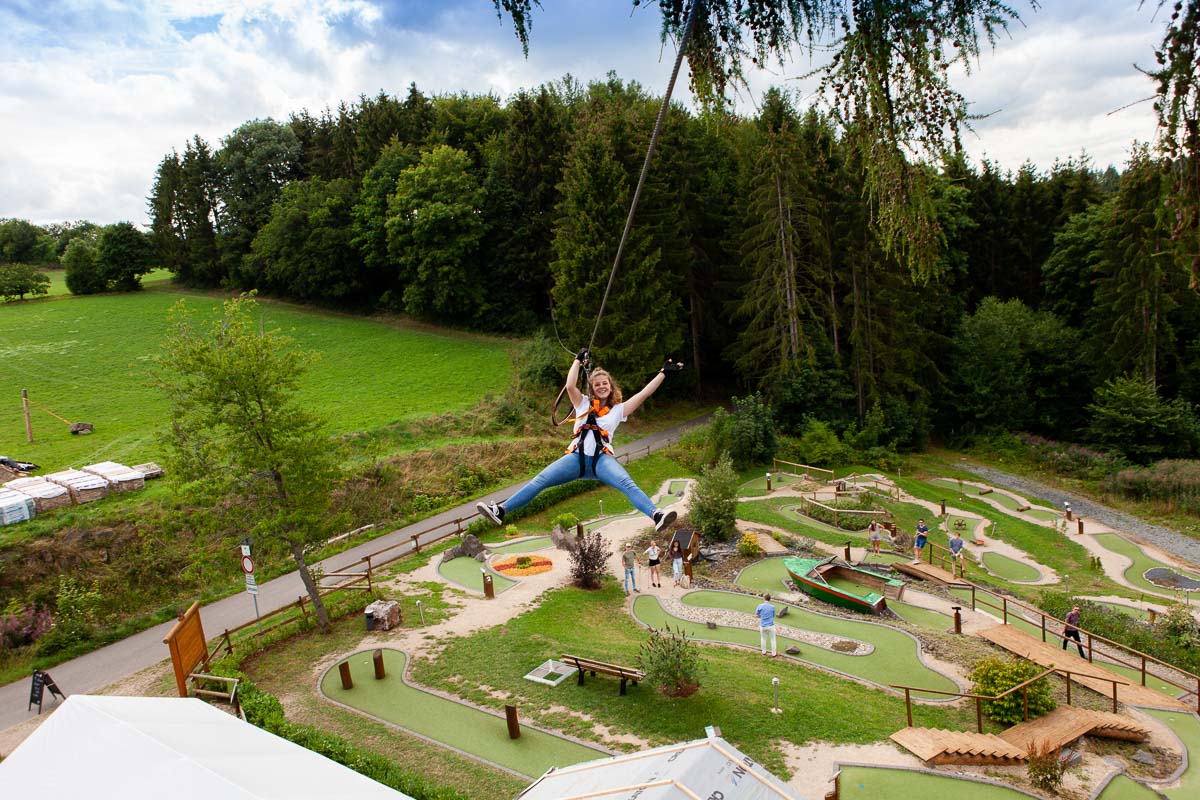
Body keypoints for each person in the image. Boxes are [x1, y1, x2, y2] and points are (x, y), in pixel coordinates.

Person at [477, 348, 682, 532]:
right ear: (592, 388)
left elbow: (644, 394)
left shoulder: (618, 410)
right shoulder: (582, 403)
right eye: (597, 384)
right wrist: (577, 360)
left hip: (602, 460)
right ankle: (501, 510)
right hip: (575, 458)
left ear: (611, 387)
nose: (602, 386)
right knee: (540, 481)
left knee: (626, 483)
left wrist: (662, 373)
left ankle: (656, 515)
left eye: (605, 383)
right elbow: (569, 385)